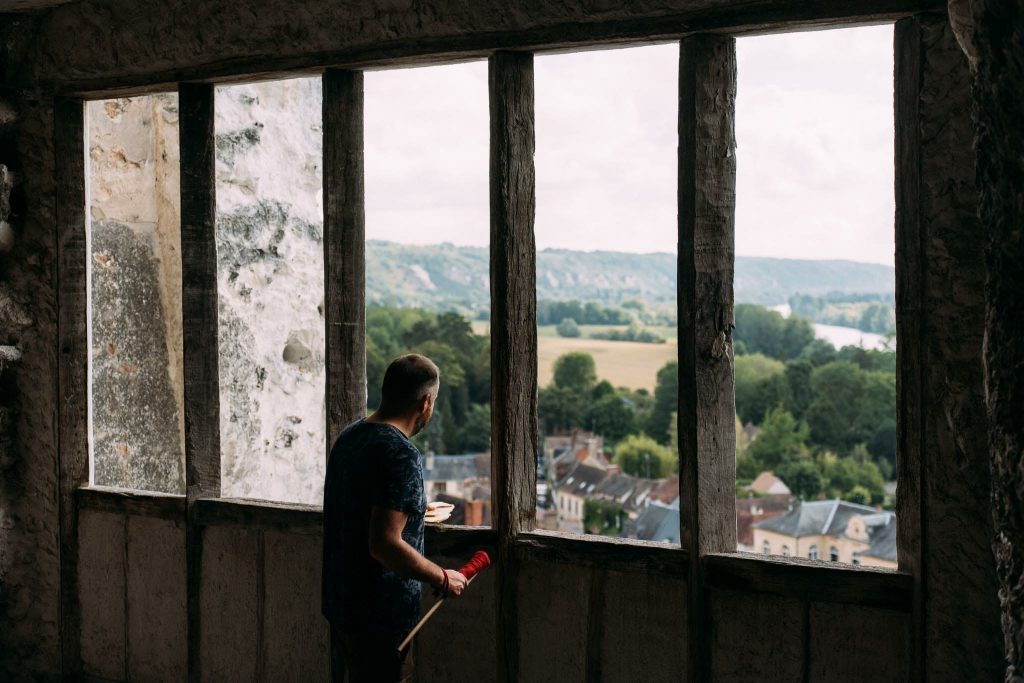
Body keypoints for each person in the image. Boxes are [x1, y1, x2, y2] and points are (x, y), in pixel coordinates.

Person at [322, 354, 468, 682]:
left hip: (341, 605)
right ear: (426, 402)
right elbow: (384, 544)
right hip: (381, 620)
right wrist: (442, 577)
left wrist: (414, 511)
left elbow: (359, 508)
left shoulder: (350, 436)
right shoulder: (401, 454)